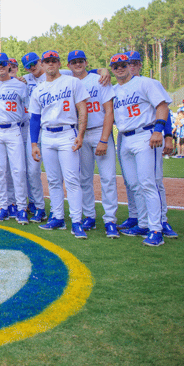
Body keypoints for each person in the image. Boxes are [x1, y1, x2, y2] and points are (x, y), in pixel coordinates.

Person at [108, 54, 176, 246]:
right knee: (134, 184)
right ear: (112, 69)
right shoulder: (114, 90)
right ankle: (144, 223)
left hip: (145, 135)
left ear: (131, 66)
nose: (120, 68)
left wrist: (159, 130)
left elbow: (162, 106)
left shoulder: (145, 83)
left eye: (123, 65)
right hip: (125, 138)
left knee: (148, 183)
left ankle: (157, 229)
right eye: (115, 66)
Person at [29, 50, 89, 239]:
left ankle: (77, 221)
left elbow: (82, 109)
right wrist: (34, 143)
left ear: (59, 63)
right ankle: (57, 217)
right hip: (47, 136)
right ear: (42, 64)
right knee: (53, 180)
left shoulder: (72, 82)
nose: (50, 64)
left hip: (67, 133)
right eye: (47, 61)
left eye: (54, 61)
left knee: (72, 180)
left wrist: (80, 134)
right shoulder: (38, 89)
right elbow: (35, 119)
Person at [68, 50, 119, 238]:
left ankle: (110, 219)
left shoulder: (99, 79)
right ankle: (89, 215)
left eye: (80, 61)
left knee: (107, 178)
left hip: (98, 130)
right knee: (84, 179)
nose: (77, 64)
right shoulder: (68, 81)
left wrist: (104, 139)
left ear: (86, 62)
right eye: (73, 62)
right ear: (68, 65)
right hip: (79, 133)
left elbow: (109, 111)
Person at [0, 53, 29, 224]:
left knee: (18, 170)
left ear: (9, 65)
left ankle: (21, 207)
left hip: (13, 129)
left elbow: (29, 106)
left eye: (4, 63)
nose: (1, 66)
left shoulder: (20, 85)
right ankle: (3, 206)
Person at [19, 53, 48, 222]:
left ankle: (41, 206)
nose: (33, 67)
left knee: (50, 172)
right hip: (31, 126)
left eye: (34, 63)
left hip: (50, 126)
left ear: (40, 62)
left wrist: (102, 70)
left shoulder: (59, 74)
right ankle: (37, 205)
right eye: (29, 65)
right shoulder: (25, 79)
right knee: (31, 170)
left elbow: (82, 72)